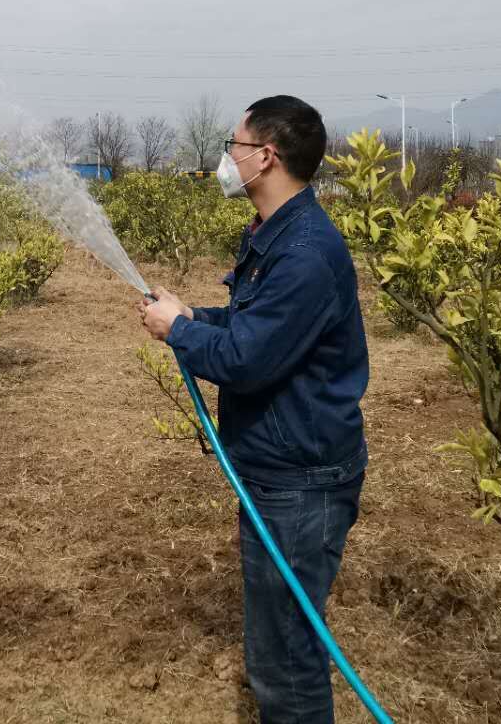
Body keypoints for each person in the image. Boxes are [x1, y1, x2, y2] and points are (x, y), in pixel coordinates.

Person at [139, 95, 369, 724]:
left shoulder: (303, 253)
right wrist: (192, 317)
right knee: (279, 644)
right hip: (282, 469)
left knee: (285, 659)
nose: (225, 156)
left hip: (301, 483)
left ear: (265, 157)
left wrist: (180, 333)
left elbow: (246, 360)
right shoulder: (278, 236)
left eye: (233, 144)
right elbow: (256, 327)